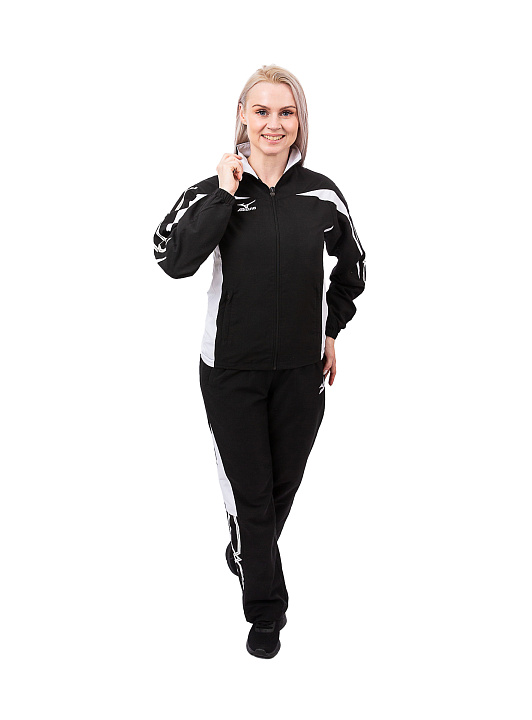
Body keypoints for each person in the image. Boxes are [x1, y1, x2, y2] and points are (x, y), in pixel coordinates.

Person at [153, 64, 366, 659]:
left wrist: (331, 329)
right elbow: (172, 260)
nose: (275, 124)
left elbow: (354, 266)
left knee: (280, 488)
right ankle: (266, 611)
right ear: (242, 118)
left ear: (300, 122)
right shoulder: (213, 191)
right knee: (251, 493)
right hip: (231, 371)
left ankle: (247, 547)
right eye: (262, 111)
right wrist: (224, 196)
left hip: (303, 371)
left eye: (286, 112)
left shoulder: (322, 194)